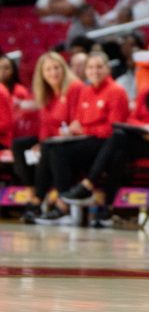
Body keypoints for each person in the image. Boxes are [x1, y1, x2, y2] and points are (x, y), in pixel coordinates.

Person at [60, 52, 149, 224]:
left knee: (117, 139)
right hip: (139, 137)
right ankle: (107, 209)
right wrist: (145, 128)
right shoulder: (148, 92)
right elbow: (131, 118)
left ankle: (88, 185)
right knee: (118, 153)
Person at [35, 52, 130, 225]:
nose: (95, 71)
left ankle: (59, 205)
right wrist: (73, 131)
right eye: (90, 67)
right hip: (87, 141)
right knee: (52, 147)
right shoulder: (86, 91)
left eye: (99, 67)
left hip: (106, 144)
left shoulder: (116, 91)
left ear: (108, 69)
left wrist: (84, 129)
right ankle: (56, 203)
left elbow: (114, 129)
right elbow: (77, 121)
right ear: (85, 71)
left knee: (57, 150)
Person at [10, 52, 84, 222]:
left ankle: (40, 200)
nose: (53, 73)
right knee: (20, 146)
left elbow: (76, 122)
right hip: (53, 141)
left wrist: (46, 142)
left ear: (63, 69)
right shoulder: (46, 93)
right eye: (48, 69)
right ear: (42, 74)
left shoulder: (75, 87)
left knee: (50, 147)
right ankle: (31, 193)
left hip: (72, 141)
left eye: (56, 68)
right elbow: (45, 126)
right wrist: (41, 143)